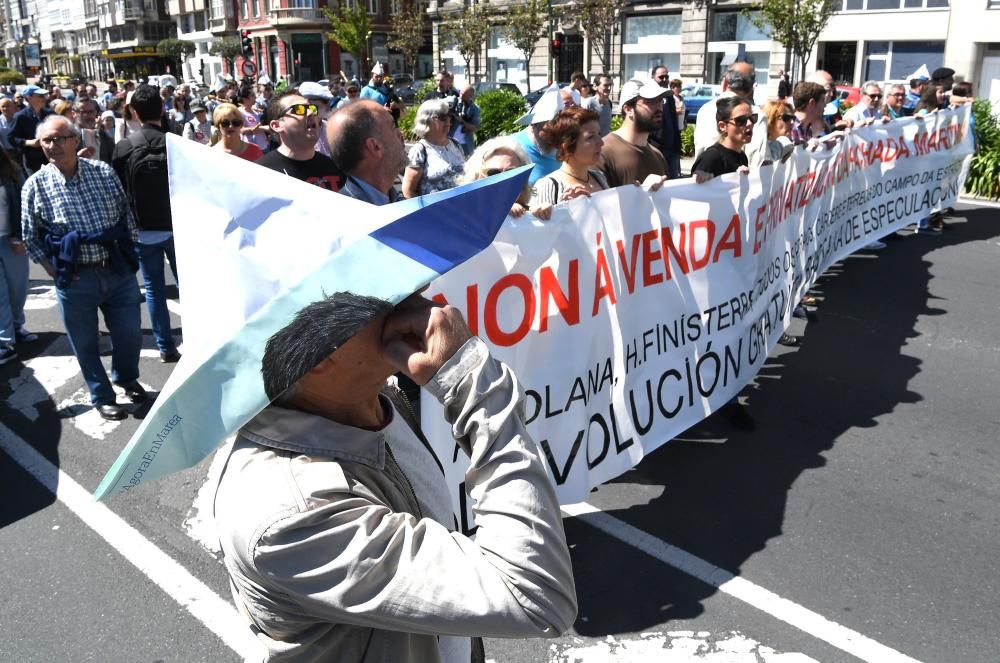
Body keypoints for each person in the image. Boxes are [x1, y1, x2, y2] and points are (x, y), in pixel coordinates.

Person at [213, 291, 578, 662]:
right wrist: (470, 381)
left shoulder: (375, 401)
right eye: (375, 294)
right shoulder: (290, 517)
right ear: (318, 357)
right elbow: (535, 596)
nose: (413, 299)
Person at [21, 116, 145, 420]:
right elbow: (29, 235)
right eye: (47, 140)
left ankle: (126, 378)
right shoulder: (35, 185)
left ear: (76, 141)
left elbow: (125, 216)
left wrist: (129, 258)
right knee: (85, 343)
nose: (53, 145)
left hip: (116, 270)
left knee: (130, 335)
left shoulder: (103, 172)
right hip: (75, 278)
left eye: (60, 138)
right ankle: (102, 395)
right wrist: (55, 273)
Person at [111, 84, 182, 364]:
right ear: (162, 109)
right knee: (188, 288)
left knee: (153, 289)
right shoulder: (177, 144)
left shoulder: (124, 147)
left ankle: (165, 346)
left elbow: (117, 192)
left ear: (135, 113)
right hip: (177, 227)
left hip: (141, 231)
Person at [258, 93, 344, 190]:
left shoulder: (335, 167)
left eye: (312, 108)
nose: (310, 113)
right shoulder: (261, 173)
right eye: (299, 109)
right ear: (277, 126)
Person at [327, 99, 406, 205]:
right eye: (392, 126)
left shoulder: (393, 199)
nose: (400, 133)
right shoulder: (349, 216)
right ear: (375, 147)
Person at [531, 106, 609, 207]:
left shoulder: (599, 177)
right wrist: (565, 207)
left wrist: (632, 192)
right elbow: (538, 222)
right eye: (590, 137)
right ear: (567, 144)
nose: (601, 142)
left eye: (599, 134)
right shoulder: (547, 186)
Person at [598, 79, 668, 189]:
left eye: (660, 101)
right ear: (628, 109)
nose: (659, 107)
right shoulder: (602, 152)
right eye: (650, 102)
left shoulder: (658, 156)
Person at [461, 137, 552, 220]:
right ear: (477, 178)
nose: (504, 180)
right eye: (493, 173)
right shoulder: (461, 219)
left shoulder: (531, 215)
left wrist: (546, 216)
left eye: (512, 173)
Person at [0, 146, 32, 365]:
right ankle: (4, 340)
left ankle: (17, 326)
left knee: (17, 288)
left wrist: (20, 236)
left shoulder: (12, 173)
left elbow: (24, 205)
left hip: (11, 240)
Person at [402, 99, 466, 198]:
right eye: (443, 118)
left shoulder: (456, 144)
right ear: (427, 120)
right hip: (434, 211)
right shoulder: (419, 150)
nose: (448, 123)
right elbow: (408, 190)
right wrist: (426, 212)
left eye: (450, 118)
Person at [693, 62, 756, 159]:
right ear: (751, 88)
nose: (749, 123)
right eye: (741, 120)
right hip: (736, 171)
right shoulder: (754, 113)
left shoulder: (705, 108)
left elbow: (700, 148)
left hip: (704, 170)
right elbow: (757, 157)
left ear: (725, 82)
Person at [7, 84, 54, 175]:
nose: (44, 98)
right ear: (29, 98)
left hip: (51, 156)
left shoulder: (50, 113)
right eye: (40, 96)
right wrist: (28, 142)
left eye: (44, 96)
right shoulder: (20, 116)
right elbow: (11, 138)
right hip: (32, 160)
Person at [649, 65, 682, 178]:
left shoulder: (669, 96)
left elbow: (674, 122)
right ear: (653, 78)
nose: (664, 80)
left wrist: (677, 145)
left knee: (673, 183)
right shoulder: (648, 97)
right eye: (661, 77)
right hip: (656, 149)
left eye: (666, 77)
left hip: (672, 149)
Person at [749, 100, 794, 168]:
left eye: (793, 118)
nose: (792, 122)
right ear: (771, 119)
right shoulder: (754, 147)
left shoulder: (791, 144)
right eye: (786, 118)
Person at [298, 81, 336, 157]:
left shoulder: (331, 129)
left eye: (313, 108)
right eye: (302, 108)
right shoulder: (296, 132)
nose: (308, 113)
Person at [73, 97, 115, 164]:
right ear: (74, 114)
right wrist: (76, 158)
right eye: (84, 112)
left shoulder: (102, 134)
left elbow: (113, 158)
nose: (89, 116)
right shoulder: (69, 136)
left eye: (91, 112)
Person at [237, 86, 269, 152]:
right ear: (245, 99)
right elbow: (241, 130)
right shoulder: (240, 112)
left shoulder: (256, 112)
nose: (255, 97)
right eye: (252, 95)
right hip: (252, 148)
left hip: (264, 146)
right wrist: (262, 128)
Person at [454, 84, 481, 157]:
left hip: (465, 144)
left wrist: (462, 121)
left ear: (470, 97)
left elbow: (476, 128)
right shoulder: (454, 103)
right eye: (461, 93)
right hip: (451, 142)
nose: (461, 97)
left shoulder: (475, 109)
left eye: (464, 95)